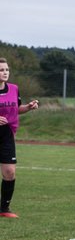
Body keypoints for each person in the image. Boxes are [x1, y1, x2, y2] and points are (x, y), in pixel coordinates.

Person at [0, 57, 40, 218]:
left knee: (9, 172)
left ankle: (4, 209)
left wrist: (28, 107)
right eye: (1, 70)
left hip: (7, 135)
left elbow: (17, 109)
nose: (5, 72)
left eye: (7, 70)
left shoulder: (14, 89)